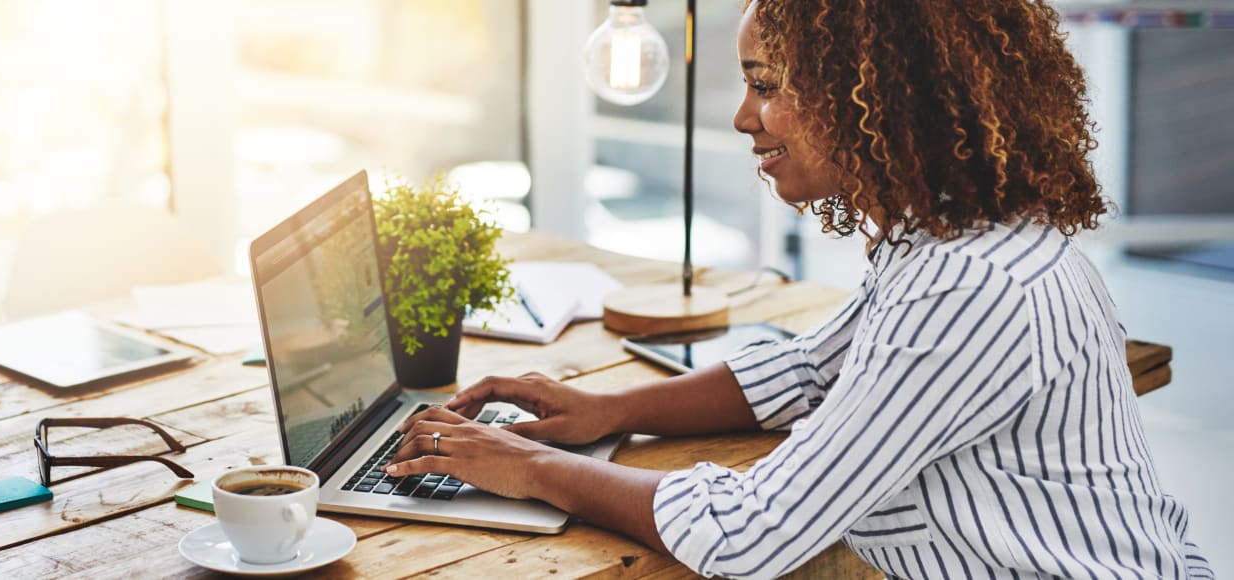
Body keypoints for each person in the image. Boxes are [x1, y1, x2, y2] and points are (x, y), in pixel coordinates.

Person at [384, 0, 1212, 577]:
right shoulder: (951, 233)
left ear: (875, 95)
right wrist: (611, 412)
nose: (744, 117)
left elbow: (752, 532)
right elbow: (811, 371)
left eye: (767, 83)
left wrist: (528, 468)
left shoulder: (967, 285)